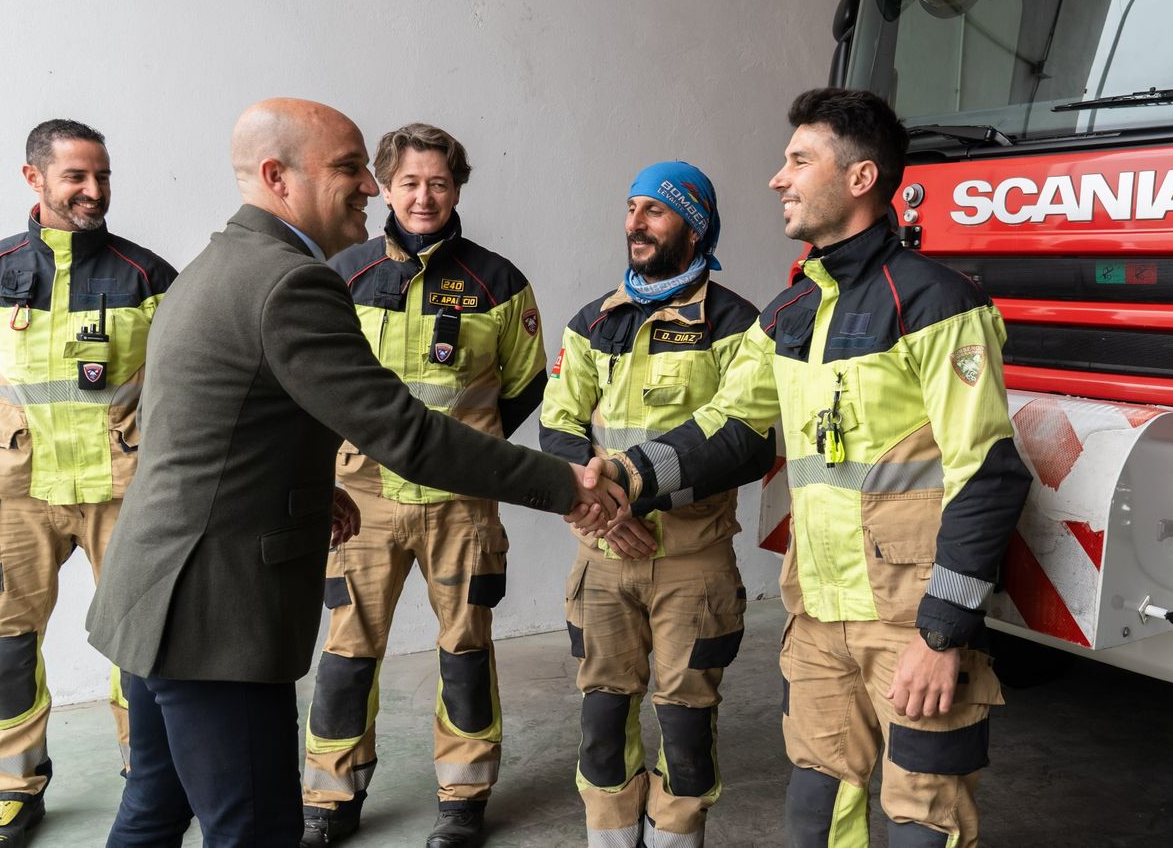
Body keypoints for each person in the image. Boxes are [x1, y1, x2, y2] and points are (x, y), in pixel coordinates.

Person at [84, 98, 621, 848]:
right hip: (214, 616)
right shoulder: (292, 284)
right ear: (277, 176)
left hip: (153, 592)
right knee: (256, 832)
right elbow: (405, 433)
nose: (372, 187)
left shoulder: (219, 262)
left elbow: (216, 422)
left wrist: (306, 482)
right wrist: (567, 485)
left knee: (153, 811)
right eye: (348, 168)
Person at [588, 89, 1031, 847]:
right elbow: (727, 430)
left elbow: (987, 474)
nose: (777, 179)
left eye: (798, 160)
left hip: (908, 622)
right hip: (818, 618)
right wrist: (624, 475)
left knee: (923, 819)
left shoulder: (934, 302)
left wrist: (943, 632)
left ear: (860, 180)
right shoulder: (791, 311)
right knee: (816, 815)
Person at [296, 122, 550, 848]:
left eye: (439, 182)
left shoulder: (497, 283)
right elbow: (311, 379)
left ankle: (463, 801)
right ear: (383, 186)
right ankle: (330, 801)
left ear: (458, 188)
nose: (424, 196)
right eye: (409, 182)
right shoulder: (339, 273)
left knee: (465, 651)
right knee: (346, 653)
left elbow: (525, 384)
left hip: (460, 504)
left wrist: (467, 452)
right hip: (361, 502)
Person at [540, 161, 771, 848]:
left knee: (686, 724)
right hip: (602, 557)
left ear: (694, 226)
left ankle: (676, 838)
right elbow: (558, 425)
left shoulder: (737, 324)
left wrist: (628, 496)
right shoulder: (592, 322)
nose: (635, 224)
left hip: (692, 567)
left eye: (656, 211)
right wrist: (602, 512)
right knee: (603, 717)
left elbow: (745, 442)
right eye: (632, 207)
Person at [0, 120, 177, 848]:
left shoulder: (146, 275)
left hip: (121, 490)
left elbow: (184, 384)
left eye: (103, 177)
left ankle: (146, 775)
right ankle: (8, 789)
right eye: (76, 178)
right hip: (16, 493)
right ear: (34, 179)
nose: (94, 192)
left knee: (139, 649)